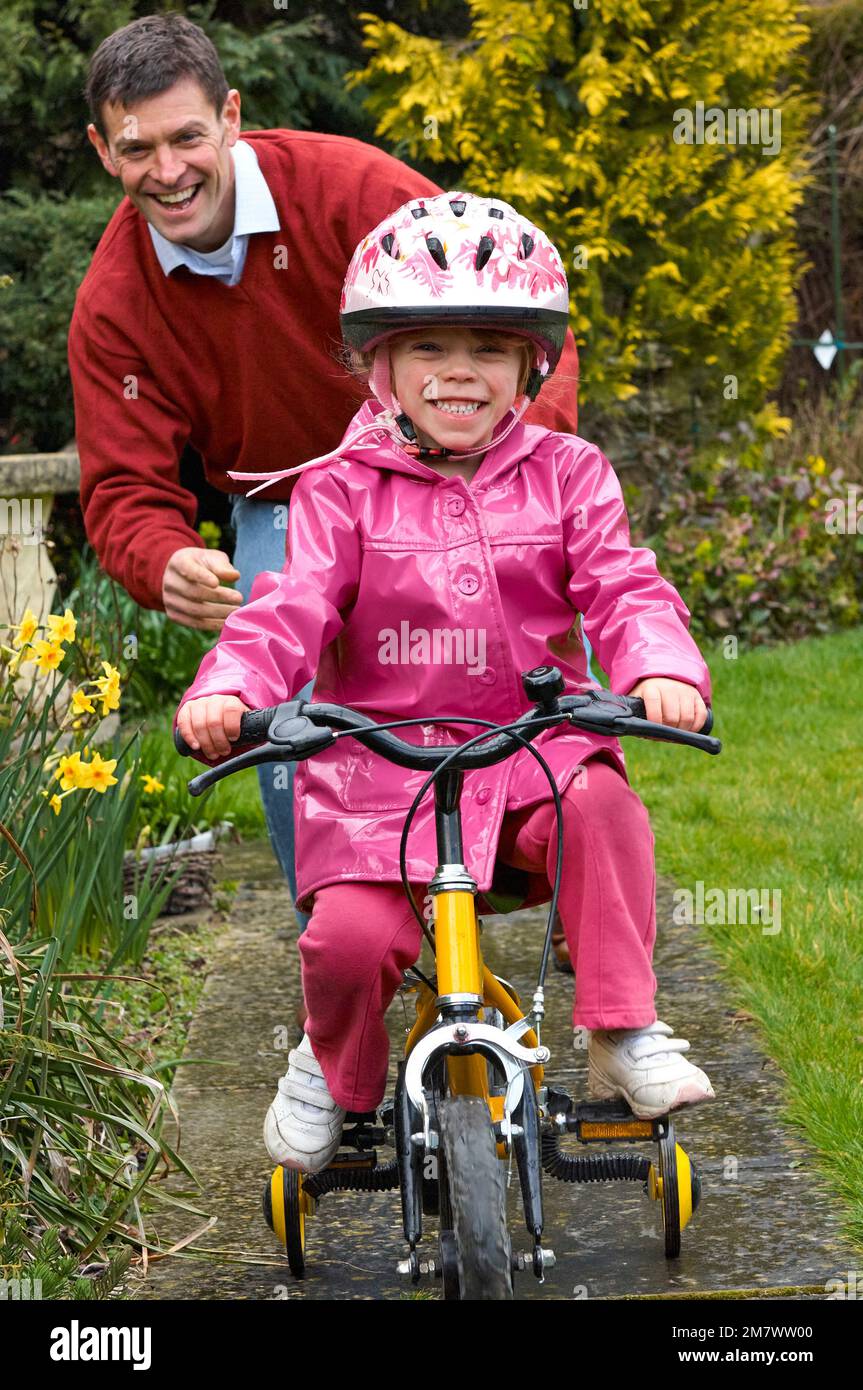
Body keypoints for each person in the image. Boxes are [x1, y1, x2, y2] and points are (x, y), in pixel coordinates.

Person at [175, 192, 715, 1174]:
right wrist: (230, 689)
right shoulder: (338, 488)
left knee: (602, 808)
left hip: (528, 754)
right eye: (428, 348)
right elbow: (288, 606)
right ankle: (329, 1067)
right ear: (380, 367)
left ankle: (621, 1024)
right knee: (341, 942)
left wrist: (659, 667)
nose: (458, 371)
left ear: (527, 367)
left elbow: (620, 584)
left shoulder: (569, 474)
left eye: (489, 348)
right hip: (376, 776)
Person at [68, 13, 585, 935]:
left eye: (188, 136)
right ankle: (347, 934)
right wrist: (162, 559)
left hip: (451, 464)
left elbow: (517, 307)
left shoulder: (350, 189)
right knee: (277, 708)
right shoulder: (114, 305)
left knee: (517, 660)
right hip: (288, 495)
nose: (169, 169)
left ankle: (564, 879)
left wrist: (514, 458)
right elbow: (122, 491)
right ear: (104, 150)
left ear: (230, 116)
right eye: (137, 147)